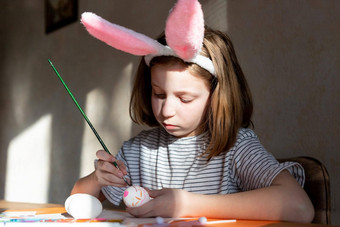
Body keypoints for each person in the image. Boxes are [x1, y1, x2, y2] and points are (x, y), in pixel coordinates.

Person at [71, 0, 314, 223]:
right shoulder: (137, 152)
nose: (167, 111)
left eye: (184, 98)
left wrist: (184, 204)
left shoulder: (236, 147)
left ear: (217, 96)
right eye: (159, 94)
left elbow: (299, 207)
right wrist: (96, 179)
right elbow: (77, 201)